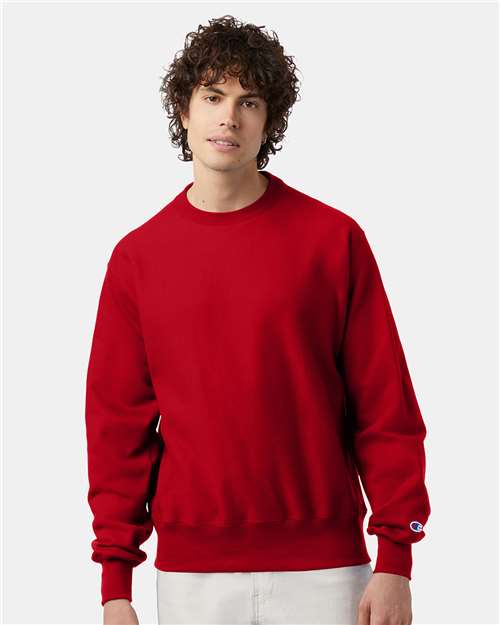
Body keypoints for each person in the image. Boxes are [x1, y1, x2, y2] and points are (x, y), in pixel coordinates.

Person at [85, 14, 431, 625]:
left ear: (269, 121)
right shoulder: (137, 259)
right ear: (184, 110)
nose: (229, 118)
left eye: (249, 102)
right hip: (192, 578)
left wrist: (396, 560)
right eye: (213, 96)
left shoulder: (333, 241)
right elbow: (117, 429)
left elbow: (385, 405)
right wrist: (116, 584)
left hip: (328, 573)